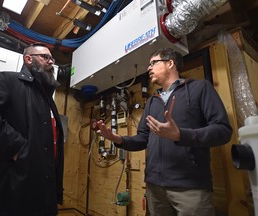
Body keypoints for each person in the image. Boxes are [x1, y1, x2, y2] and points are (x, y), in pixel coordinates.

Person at [96, 47, 233, 216]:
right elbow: (143, 138)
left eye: (153, 63)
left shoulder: (200, 88)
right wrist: (118, 139)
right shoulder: (153, 101)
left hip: (190, 188)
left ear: (170, 63)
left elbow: (223, 130)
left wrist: (180, 135)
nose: (148, 68)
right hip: (154, 188)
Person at [0, 43, 64, 216]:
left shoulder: (48, 100)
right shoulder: (8, 80)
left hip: (43, 200)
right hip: (10, 199)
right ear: (28, 59)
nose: (51, 62)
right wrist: (16, 147)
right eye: (45, 57)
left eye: (52, 58)